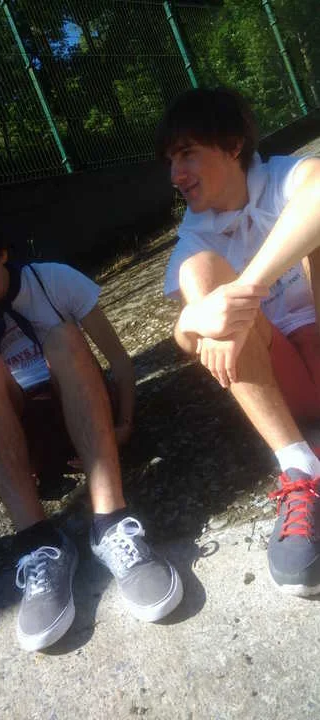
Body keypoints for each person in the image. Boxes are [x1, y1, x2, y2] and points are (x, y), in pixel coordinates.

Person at [0, 205, 183, 652]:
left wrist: (124, 422)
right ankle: (39, 543)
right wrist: (10, 465)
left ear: (1, 253)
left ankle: (111, 523)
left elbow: (119, 361)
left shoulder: (54, 280)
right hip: (26, 434)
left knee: (63, 336)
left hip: (86, 405)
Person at [156, 86, 320, 597]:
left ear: (232, 145)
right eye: (170, 161)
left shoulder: (283, 178)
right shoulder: (195, 233)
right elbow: (185, 336)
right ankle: (299, 466)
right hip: (283, 373)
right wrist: (199, 320)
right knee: (199, 274)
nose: (176, 174)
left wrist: (245, 291)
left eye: (187, 154)